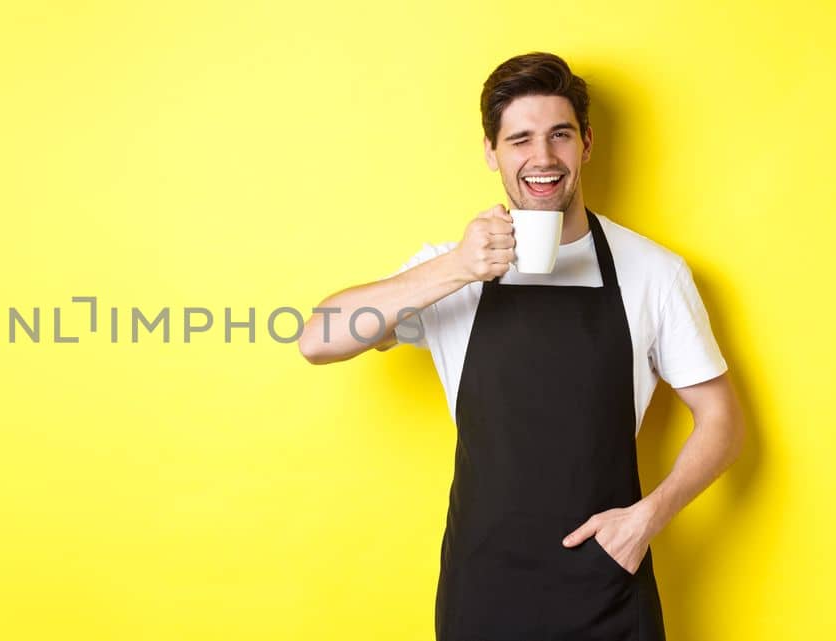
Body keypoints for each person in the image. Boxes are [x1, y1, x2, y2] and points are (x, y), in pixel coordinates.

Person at [296, 52, 745, 640]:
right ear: (491, 151)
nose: (542, 158)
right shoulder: (450, 268)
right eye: (520, 139)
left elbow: (722, 420)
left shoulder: (652, 271)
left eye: (559, 135)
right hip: (483, 590)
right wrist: (458, 267)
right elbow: (317, 339)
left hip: (607, 585)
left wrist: (647, 519)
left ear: (586, 143)